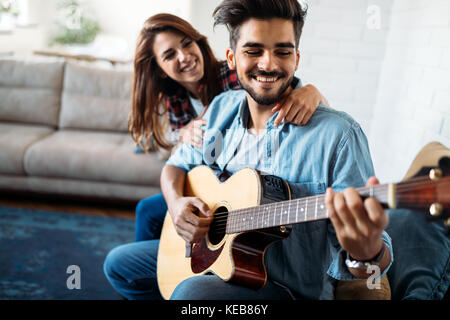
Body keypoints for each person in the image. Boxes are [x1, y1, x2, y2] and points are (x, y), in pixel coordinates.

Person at [104, 0, 393, 300]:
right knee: (118, 264)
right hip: (222, 261)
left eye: (282, 51)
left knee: (192, 295)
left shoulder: (339, 136)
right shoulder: (218, 111)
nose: (268, 64)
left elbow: (374, 267)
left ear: (296, 58)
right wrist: (177, 205)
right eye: (253, 51)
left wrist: (366, 254)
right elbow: (177, 164)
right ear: (231, 58)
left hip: (285, 290)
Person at [129, 13, 330, 243]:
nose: (184, 57)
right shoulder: (173, 99)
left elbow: (281, 90)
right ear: (161, 69)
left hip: (242, 190)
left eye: (187, 44)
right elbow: (180, 159)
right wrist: (183, 141)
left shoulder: (233, 75)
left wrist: (313, 92)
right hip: (208, 186)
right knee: (147, 211)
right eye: (170, 54)